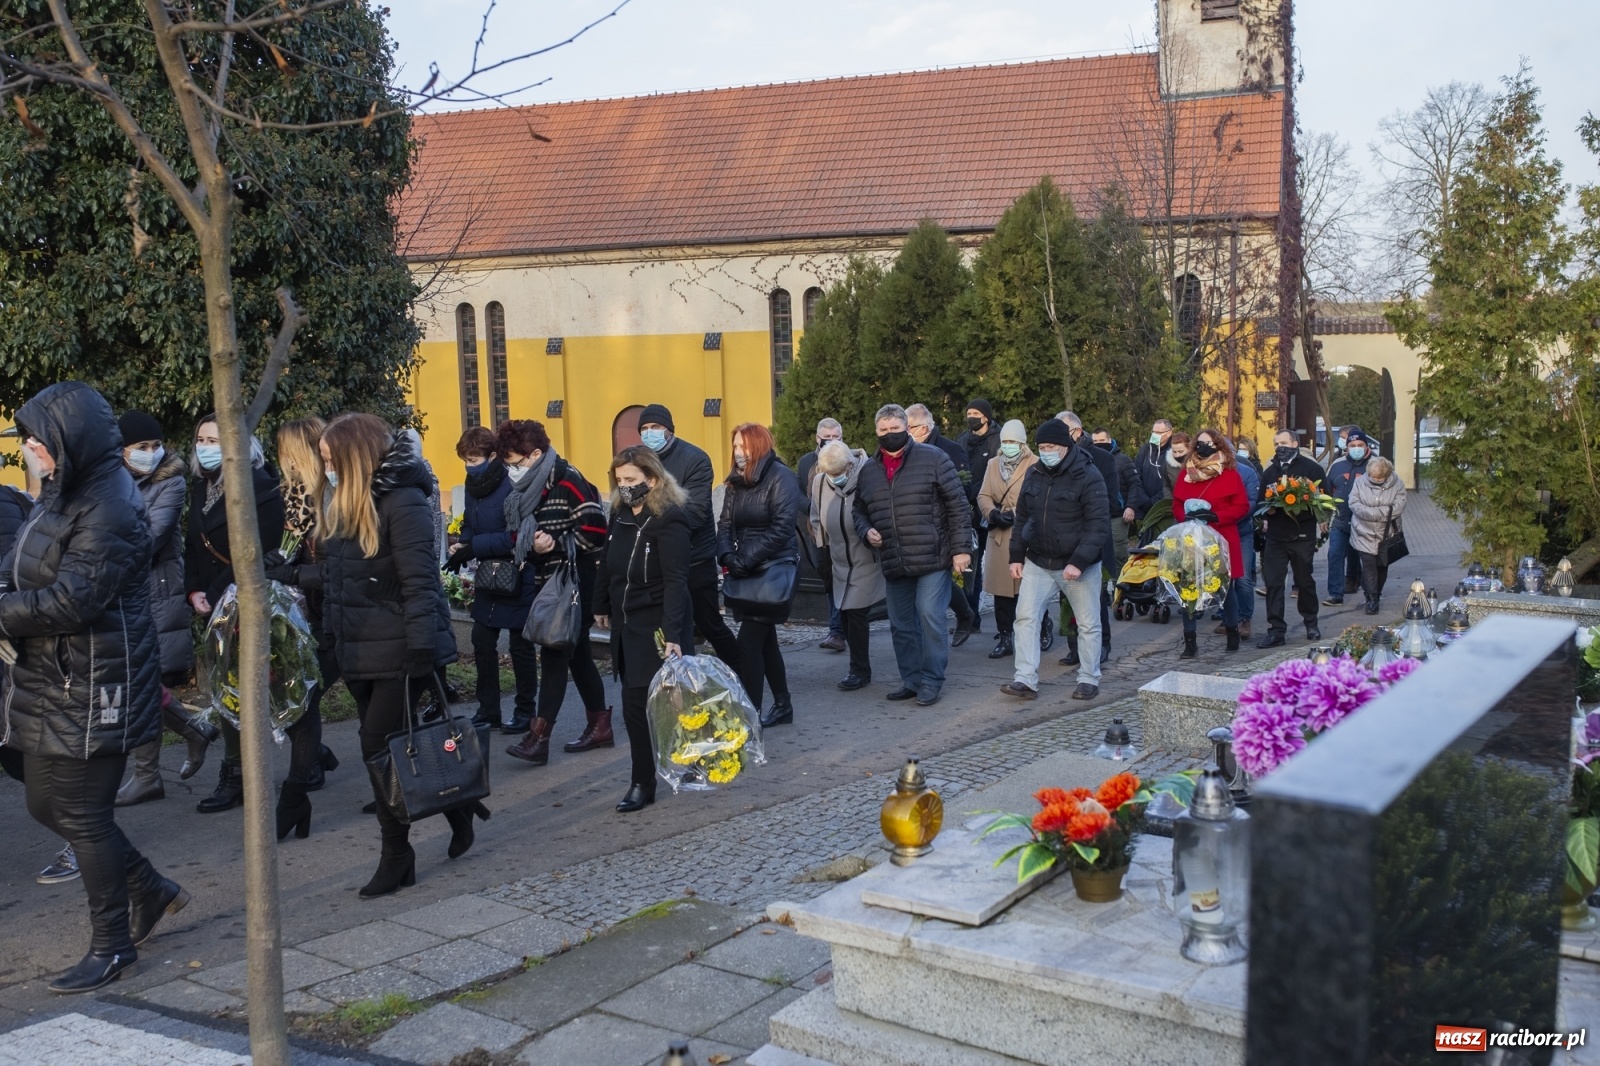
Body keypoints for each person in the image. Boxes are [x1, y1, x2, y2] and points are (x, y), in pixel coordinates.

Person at [0, 382, 188, 993]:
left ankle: (112, 946)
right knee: (43, 803)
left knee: (81, 812)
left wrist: (3, 611)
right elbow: (22, 562)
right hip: (51, 672)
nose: (30, 450)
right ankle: (151, 888)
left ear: (69, 439)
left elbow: (74, 599)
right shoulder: (61, 493)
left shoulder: (109, 503)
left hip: (96, 674)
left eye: (37, 440)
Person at [312, 413, 471, 897]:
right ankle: (459, 805)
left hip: (403, 647)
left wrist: (422, 648)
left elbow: (421, 582)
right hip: (358, 645)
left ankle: (396, 854)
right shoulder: (344, 500)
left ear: (354, 458)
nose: (325, 469)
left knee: (376, 746)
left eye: (330, 460)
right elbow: (344, 579)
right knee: (395, 747)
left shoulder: (403, 501)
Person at [113, 411, 216, 807]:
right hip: (122, 594)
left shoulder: (169, 482)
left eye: (155, 446)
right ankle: (192, 731)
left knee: (140, 680)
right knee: (136, 681)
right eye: (142, 447)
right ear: (122, 451)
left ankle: (147, 774)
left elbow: (148, 539)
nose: (152, 453)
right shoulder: (111, 481)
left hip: (154, 592)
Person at [184, 414, 285, 814]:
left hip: (245, 601)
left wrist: (213, 591)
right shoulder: (201, 487)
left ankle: (241, 774)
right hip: (211, 604)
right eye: (202, 439)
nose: (207, 447)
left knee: (250, 690)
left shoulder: (260, 485)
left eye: (216, 440)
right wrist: (193, 590)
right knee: (227, 691)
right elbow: (193, 544)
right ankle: (242, 770)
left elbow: (257, 548)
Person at [500, 421, 610, 765]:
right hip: (549, 581)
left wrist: (557, 543)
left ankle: (538, 736)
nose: (512, 470)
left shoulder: (568, 479)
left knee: (553, 652)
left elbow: (595, 528)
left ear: (536, 454)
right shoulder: (529, 488)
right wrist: (532, 544)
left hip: (575, 582)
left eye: (516, 462)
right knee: (574, 656)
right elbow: (519, 536)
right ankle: (600, 725)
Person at [593, 445, 694, 813]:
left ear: (652, 480)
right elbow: (606, 562)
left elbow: (676, 580)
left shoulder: (670, 519)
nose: (624, 487)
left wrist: (673, 635)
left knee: (649, 703)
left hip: (656, 623)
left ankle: (644, 780)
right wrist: (600, 603)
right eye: (619, 480)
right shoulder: (618, 514)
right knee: (637, 706)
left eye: (631, 480)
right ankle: (645, 778)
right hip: (625, 622)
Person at [853, 404, 972, 707]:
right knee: (901, 623)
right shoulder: (868, 470)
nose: (890, 435)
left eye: (895, 429)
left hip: (932, 556)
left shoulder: (933, 458)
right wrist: (866, 530)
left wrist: (960, 550)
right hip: (894, 558)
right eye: (884, 431)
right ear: (876, 431)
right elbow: (859, 510)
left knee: (930, 616)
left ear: (907, 428)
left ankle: (932, 680)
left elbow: (957, 505)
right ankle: (912, 679)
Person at [261, 417, 342, 839]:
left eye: (288, 452)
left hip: (345, 617)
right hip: (318, 614)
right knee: (301, 699)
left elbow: (339, 568)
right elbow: (294, 547)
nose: (283, 461)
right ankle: (313, 767)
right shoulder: (297, 497)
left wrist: (291, 574)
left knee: (305, 698)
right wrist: (282, 563)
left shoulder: (335, 495)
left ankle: (299, 789)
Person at [1000, 419, 1108, 702]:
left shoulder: (1088, 475)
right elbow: (1023, 517)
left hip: (1076, 563)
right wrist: (1016, 556)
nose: (1045, 451)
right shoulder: (1034, 472)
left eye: (1051, 447)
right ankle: (1025, 679)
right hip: (1038, 560)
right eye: (1041, 447)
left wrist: (1079, 561)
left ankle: (1088, 678)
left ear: (1066, 446)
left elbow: (1098, 525)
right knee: (1025, 618)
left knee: (1087, 623)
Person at [444, 425, 537, 735]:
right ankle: (488, 710)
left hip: (517, 571)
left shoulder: (513, 483)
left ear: (493, 456)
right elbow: (470, 522)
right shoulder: (473, 486)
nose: (470, 466)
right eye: (465, 461)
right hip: (488, 573)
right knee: (482, 640)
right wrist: (462, 543)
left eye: (474, 459)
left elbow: (516, 535)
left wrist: (475, 546)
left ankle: (526, 711)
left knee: (520, 645)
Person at [637, 405, 741, 669]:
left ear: (669, 430)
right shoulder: (638, 460)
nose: (650, 434)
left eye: (656, 428)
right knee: (672, 626)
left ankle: (741, 671)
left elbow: (696, 512)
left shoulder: (694, 459)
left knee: (709, 623)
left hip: (694, 557)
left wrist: (652, 530)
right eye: (645, 429)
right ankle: (679, 680)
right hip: (655, 560)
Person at [717, 423, 802, 727]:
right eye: (735, 447)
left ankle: (747, 716)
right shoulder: (736, 482)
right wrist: (727, 556)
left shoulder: (782, 477)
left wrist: (746, 560)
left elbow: (782, 528)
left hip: (772, 568)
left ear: (759, 446)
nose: (739, 453)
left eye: (744, 447)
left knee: (749, 644)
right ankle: (783, 704)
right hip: (744, 569)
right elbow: (725, 523)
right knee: (766, 642)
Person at [809, 440, 884, 690]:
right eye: (829, 474)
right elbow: (816, 518)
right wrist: (823, 550)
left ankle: (859, 670)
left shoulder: (868, 474)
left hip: (866, 558)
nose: (834, 478)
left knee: (855, 613)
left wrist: (875, 533)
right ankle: (859, 667)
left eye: (838, 473)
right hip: (838, 559)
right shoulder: (821, 482)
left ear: (850, 466)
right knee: (843, 612)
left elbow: (881, 509)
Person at [1170, 429, 1249, 658]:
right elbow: (1176, 503)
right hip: (1191, 536)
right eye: (1200, 443)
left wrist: (1217, 516)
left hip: (1221, 535)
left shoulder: (1230, 473)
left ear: (1219, 446)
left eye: (1209, 443)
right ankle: (1190, 641)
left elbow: (1241, 506)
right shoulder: (1186, 473)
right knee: (1189, 587)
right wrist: (1185, 516)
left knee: (1227, 588)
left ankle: (1232, 632)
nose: (1204, 447)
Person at [907, 403, 977, 645]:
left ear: (924, 427)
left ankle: (963, 613)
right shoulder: (907, 450)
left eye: (909, 427)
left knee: (938, 576)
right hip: (915, 525)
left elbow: (964, 489)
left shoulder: (950, 449)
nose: (905, 432)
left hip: (942, 525)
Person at [1256, 429, 1326, 648]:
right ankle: (1276, 630)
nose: (1279, 447)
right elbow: (1261, 501)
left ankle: (1311, 622)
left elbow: (1322, 500)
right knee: (1274, 582)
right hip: (1276, 536)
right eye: (1276, 443)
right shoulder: (1270, 471)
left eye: (1284, 443)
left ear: (1295, 444)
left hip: (1301, 534)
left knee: (1304, 581)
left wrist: (1303, 508)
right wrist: (1267, 512)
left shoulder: (1311, 468)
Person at [1061, 412, 1118, 668]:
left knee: (1094, 596)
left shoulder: (1103, 459)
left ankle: (1102, 644)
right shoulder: (1058, 459)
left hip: (1094, 537)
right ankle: (1074, 645)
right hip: (1065, 538)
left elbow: (1109, 500)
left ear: (1078, 431)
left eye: (1065, 431)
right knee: (1067, 596)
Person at [976, 420, 1035, 661]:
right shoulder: (993, 464)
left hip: (1025, 534)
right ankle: (1005, 636)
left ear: (1022, 443)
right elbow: (983, 495)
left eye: (1013, 442)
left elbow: (1038, 499)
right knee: (1002, 592)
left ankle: (1036, 631)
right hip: (999, 534)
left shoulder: (1035, 464)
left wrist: (1017, 515)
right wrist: (992, 513)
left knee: (1027, 591)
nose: (1008, 446)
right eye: (1005, 442)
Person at [795, 418, 846, 653]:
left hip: (841, 530)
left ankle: (837, 631)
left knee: (839, 577)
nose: (831, 441)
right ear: (818, 438)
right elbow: (797, 495)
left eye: (836, 437)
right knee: (826, 576)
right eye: (827, 436)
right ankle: (837, 627)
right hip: (815, 530)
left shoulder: (850, 459)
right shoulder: (807, 462)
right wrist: (814, 510)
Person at [955, 399, 1001, 628]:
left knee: (996, 564)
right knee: (970, 565)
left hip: (991, 511)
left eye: (975, 413)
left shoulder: (998, 439)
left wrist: (980, 494)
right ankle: (970, 616)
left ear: (986, 416)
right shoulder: (963, 440)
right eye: (968, 412)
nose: (971, 416)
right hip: (966, 512)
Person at [1347, 456, 1407, 615]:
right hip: (1363, 532)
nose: (1376, 480)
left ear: (1387, 474)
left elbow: (1398, 507)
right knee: (1368, 565)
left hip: (1386, 534)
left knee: (1382, 566)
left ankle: (1376, 593)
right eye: (1373, 477)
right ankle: (1371, 599)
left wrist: (1372, 513)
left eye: (1379, 477)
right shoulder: (1360, 482)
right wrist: (1381, 512)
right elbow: (1353, 504)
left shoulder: (1397, 484)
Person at [1321, 427, 1371, 607]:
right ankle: (1335, 593)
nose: (1356, 448)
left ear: (1366, 446)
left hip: (1367, 523)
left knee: (1368, 559)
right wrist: (1324, 518)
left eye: (1360, 445)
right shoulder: (1337, 465)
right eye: (1352, 445)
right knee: (1334, 554)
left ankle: (1370, 594)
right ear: (1347, 447)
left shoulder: (1376, 464)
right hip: (1341, 520)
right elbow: (1326, 493)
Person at [1092, 428, 1143, 575]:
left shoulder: (1122, 460)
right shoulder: (1089, 459)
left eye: (1102, 441)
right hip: (1096, 513)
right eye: (1095, 442)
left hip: (1118, 514)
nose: (1098, 444)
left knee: (1118, 551)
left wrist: (1131, 506)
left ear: (1109, 440)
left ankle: (1121, 584)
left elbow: (1135, 484)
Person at [1132, 419, 1173, 536]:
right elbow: (1136, 474)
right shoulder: (1146, 449)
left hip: (1163, 507)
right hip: (1144, 507)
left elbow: (1171, 481)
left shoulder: (1173, 452)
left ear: (1169, 433)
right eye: (1153, 432)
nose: (1155, 435)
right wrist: (1143, 499)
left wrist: (1153, 502)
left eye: (1159, 433)